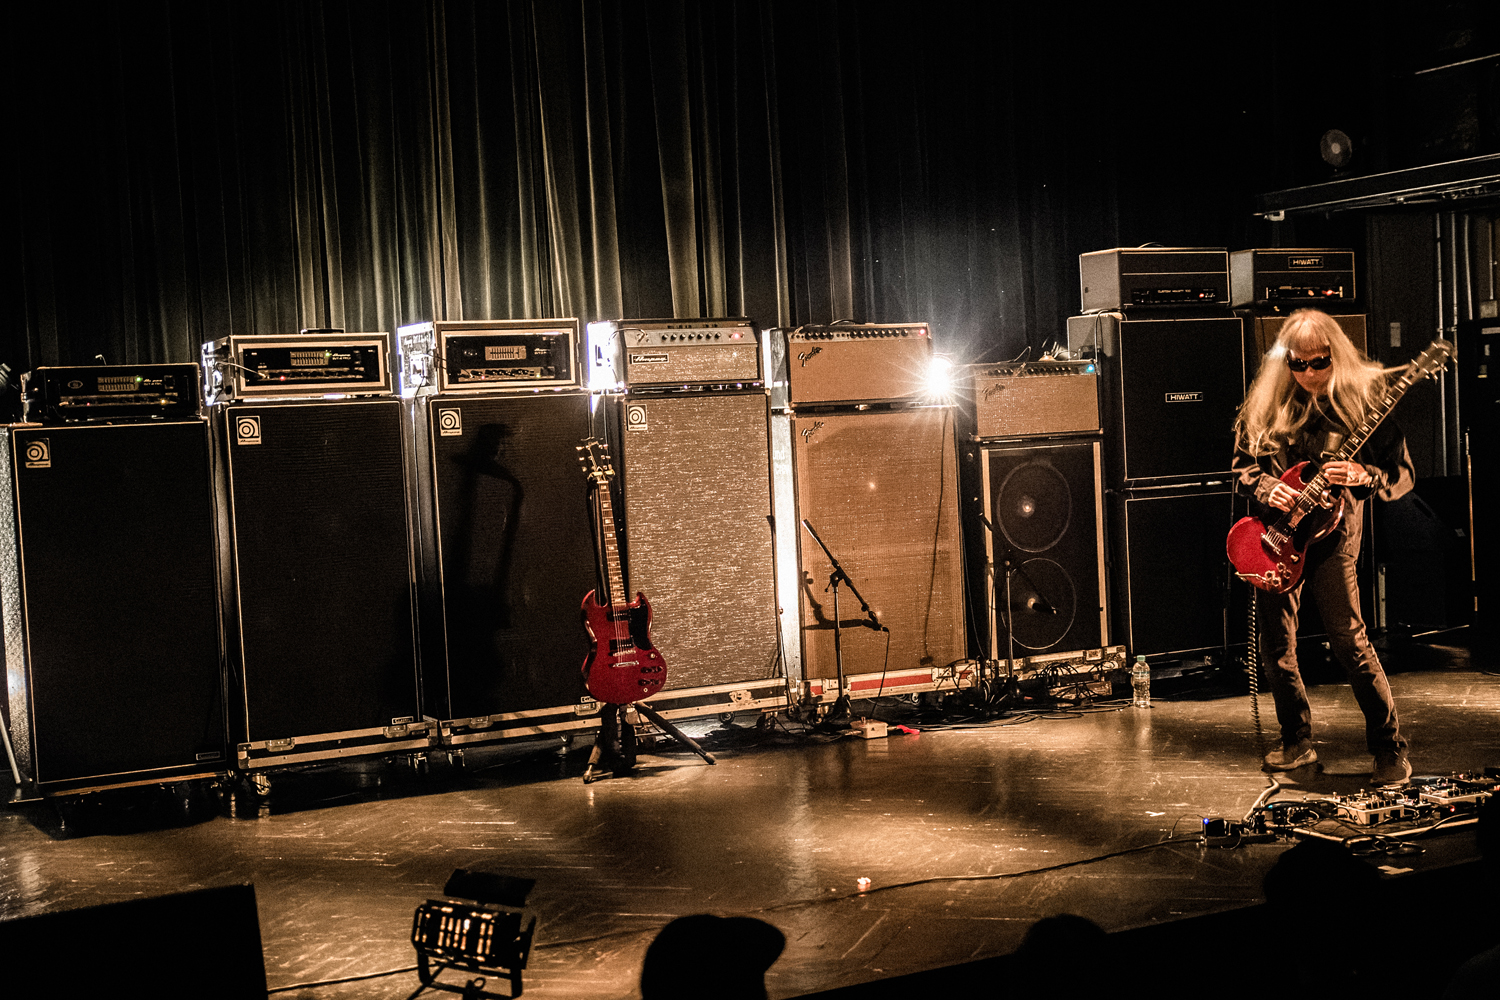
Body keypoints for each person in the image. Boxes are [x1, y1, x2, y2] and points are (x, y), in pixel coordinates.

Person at [1232, 308, 1415, 786]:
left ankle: (1389, 748)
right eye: (1298, 364)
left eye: (1320, 362)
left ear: (1337, 355)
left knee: (1349, 641)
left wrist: (1364, 475)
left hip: (1334, 537)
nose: (1309, 373)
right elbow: (1242, 467)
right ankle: (1295, 740)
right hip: (1276, 536)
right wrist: (1262, 486)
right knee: (1276, 648)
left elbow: (1403, 476)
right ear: (1284, 362)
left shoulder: (1362, 406)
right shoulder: (1268, 404)